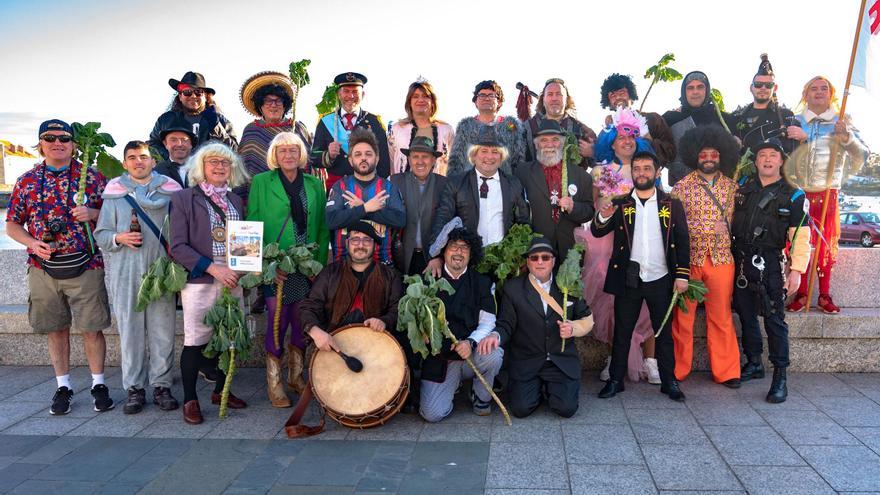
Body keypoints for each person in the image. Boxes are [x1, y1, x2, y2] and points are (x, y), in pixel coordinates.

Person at [5, 119, 114, 415]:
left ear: (74, 144)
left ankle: (98, 383)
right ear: (40, 143)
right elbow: (13, 224)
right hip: (43, 266)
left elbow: (114, 215)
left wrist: (92, 212)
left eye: (64, 138)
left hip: (86, 262)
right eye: (50, 137)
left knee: (93, 328)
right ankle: (63, 385)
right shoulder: (26, 180)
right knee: (56, 329)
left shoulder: (92, 177)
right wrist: (32, 243)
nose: (58, 143)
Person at [592, 151, 690, 401]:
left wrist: (682, 275)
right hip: (629, 278)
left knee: (663, 333)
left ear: (657, 172)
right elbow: (597, 229)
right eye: (637, 168)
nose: (642, 173)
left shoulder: (672, 204)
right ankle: (615, 381)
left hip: (662, 277)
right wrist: (604, 212)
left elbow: (682, 240)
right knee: (622, 331)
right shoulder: (621, 203)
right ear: (632, 172)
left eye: (647, 168)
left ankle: (669, 382)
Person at [94, 140, 182, 414]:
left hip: (160, 271)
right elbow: (101, 234)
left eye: (143, 157)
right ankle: (134, 388)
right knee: (130, 332)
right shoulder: (114, 194)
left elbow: (181, 231)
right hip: (126, 272)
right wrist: (119, 237)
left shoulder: (170, 191)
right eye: (132, 157)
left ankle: (161, 385)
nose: (138, 162)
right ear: (125, 163)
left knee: (163, 330)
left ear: (153, 161)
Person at [246, 132, 329, 408]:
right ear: (274, 156)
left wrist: (315, 265)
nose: (289, 155)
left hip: (306, 268)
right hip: (276, 266)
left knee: (300, 322)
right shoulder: (260, 182)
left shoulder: (315, 184)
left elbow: (322, 226)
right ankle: (274, 382)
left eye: (294, 150)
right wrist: (266, 266)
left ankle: (296, 375)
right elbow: (252, 223)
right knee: (277, 321)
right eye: (282, 151)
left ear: (301, 154)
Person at [170, 142, 250, 424]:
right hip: (201, 280)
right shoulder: (183, 199)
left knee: (229, 338)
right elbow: (177, 247)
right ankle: (190, 399)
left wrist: (241, 270)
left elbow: (243, 242)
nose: (219, 167)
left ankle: (219, 391)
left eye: (225, 163)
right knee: (195, 341)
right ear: (200, 167)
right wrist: (213, 268)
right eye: (213, 162)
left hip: (231, 280)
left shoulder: (236, 200)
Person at [578, 108, 660, 384]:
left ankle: (650, 361)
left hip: (642, 240)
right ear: (612, 142)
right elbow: (593, 205)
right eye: (621, 136)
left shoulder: (646, 169)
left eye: (632, 136)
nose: (627, 141)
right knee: (611, 299)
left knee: (646, 298)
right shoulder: (601, 170)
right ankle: (614, 357)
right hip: (608, 243)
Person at [732, 139, 811, 403]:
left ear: (781, 160)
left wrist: (797, 270)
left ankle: (780, 376)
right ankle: (754, 362)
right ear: (755, 161)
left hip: (771, 263)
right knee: (745, 313)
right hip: (741, 259)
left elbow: (801, 236)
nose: (767, 159)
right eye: (762, 155)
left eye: (772, 155)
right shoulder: (743, 188)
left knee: (774, 319)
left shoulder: (794, 194)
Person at [480, 237, 593, 418]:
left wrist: (573, 328)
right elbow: (506, 324)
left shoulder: (568, 284)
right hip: (527, 361)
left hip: (560, 361)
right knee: (521, 409)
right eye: (534, 258)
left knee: (566, 409)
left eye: (545, 257)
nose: (540, 262)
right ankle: (538, 391)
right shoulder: (513, 288)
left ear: (553, 261)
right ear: (528, 261)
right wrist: (495, 336)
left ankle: (553, 389)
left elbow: (587, 318)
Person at [785, 76, 869, 314]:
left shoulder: (842, 122)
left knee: (824, 245)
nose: (819, 92)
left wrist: (847, 138)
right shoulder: (795, 120)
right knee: (797, 243)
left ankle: (824, 294)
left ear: (831, 94)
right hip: (798, 192)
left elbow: (862, 156)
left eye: (824, 88)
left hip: (828, 191)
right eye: (814, 88)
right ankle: (800, 293)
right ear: (805, 94)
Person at [670, 125, 742, 387]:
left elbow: (742, 224)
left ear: (722, 155)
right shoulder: (680, 187)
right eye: (703, 154)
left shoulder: (733, 188)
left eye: (714, 153)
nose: (709, 158)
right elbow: (672, 226)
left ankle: (727, 371)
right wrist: (705, 228)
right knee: (683, 318)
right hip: (690, 262)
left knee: (721, 317)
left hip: (722, 260)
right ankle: (677, 369)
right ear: (694, 156)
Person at [419, 227, 503, 422]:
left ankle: (480, 396)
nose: (458, 252)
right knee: (432, 414)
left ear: (471, 253)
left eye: (464, 248)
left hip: (471, 355)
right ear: (444, 252)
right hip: (441, 359)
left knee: (493, 354)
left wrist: (471, 342)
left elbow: (488, 321)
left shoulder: (482, 282)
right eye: (453, 247)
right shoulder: (428, 282)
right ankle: (452, 385)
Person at [299, 221, 403, 351]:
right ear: (347, 243)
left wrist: (384, 321)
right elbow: (309, 306)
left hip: (376, 348)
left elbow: (397, 309)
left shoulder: (390, 276)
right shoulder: (330, 273)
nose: (360, 245)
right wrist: (315, 331)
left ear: (375, 245)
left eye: (366, 240)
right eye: (355, 239)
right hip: (335, 346)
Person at [430, 130, 530, 258]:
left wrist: (522, 256)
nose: (489, 157)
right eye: (484, 151)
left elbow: (523, 221)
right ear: (474, 155)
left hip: (503, 260)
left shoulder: (513, 183)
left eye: (495, 152)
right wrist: (435, 256)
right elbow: (443, 218)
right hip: (467, 259)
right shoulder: (456, 183)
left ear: (501, 157)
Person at [516, 119, 594, 262]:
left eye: (555, 140)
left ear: (563, 143)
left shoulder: (581, 175)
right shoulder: (522, 172)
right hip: (536, 251)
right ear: (536, 144)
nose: (550, 145)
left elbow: (589, 212)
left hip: (570, 251)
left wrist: (573, 207)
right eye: (544, 140)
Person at [325, 128, 405, 265]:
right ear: (350, 160)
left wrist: (363, 209)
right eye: (358, 154)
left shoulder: (389, 187)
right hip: (343, 266)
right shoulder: (340, 187)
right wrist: (365, 208)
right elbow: (331, 221)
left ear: (377, 158)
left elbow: (400, 220)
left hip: (381, 265)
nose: (363, 158)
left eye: (368, 154)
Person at [310, 72, 391, 189]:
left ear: (362, 94)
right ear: (339, 94)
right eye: (346, 91)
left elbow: (384, 162)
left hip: (368, 187)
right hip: (336, 188)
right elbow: (314, 157)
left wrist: (377, 188)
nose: (351, 96)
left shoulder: (374, 122)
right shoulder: (325, 122)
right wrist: (329, 155)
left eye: (355, 92)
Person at [663, 71, 736, 186]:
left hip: (718, 191)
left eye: (700, 87)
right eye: (690, 88)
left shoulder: (724, 119)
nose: (695, 92)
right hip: (681, 190)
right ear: (684, 92)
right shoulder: (670, 119)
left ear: (706, 90)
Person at [238, 71, 313, 181]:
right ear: (260, 106)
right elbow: (242, 166)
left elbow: (308, 161)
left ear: (285, 105)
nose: (273, 105)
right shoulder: (251, 130)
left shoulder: (297, 128)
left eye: (278, 101)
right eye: (268, 101)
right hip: (259, 190)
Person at [389, 136, 448, 275]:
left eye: (425, 156)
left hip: (432, 261)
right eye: (415, 156)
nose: (420, 161)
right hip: (400, 257)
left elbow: (450, 224)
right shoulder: (395, 182)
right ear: (409, 159)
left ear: (433, 160)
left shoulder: (444, 185)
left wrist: (439, 257)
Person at [149, 71, 238, 160]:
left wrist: (216, 128)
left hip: (209, 172)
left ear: (206, 96)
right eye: (187, 92)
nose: (193, 96)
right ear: (180, 96)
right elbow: (152, 145)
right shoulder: (166, 120)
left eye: (198, 92)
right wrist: (171, 158)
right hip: (174, 172)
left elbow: (234, 150)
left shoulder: (220, 121)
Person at [731, 54, 805, 156]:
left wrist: (804, 138)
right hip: (742, 171)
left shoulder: (786, 117)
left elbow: (794, 153)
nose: (763, 88)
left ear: (775, 88)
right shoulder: (737, 117)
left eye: (768, 85)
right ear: (751, 88)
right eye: (758, 84)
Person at [447, 80, 525, 176]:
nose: (486, 99)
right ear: (475, 101)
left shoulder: (511, 125)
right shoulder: (465, 126)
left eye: (491, 95)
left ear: (499, 102)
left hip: (505, 185)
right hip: (470, 186)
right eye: (482, 95)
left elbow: (519, 160)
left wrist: (517, 186)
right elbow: (456, 161)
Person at [599, 73, 676, 166]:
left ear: (631, 94)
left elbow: (670, 154)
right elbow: (599, 160)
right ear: (608, 101)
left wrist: (648, 141)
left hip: (649, 178)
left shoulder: (653, 119)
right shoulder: (608, 129)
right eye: (613, 95)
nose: (618, 97)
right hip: (620, 178)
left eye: (622, 93)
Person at [522, 78, 597, 165]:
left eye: (559, 94)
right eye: (550, 94)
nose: (554, 98)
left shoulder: (580, 130)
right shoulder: (528, 128)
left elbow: (599, 166)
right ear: (543, 100)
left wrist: (593, 152)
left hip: (573, 178)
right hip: (534, 177)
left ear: (566, 100)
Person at [388, 80, 455, 176]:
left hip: (439, 188)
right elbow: (390, 162)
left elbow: (453, 163)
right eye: (415, 96)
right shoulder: (396, 129)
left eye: (425, 96)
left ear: (432, 101)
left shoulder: (446, 130)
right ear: (409, 102)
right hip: (403, 188)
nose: (420, 100)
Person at [154, 120, 198, 188]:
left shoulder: (203, 169)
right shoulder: (157, 172)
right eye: (173, 140)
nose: (179, 144)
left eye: (184, 140)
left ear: (191, 144)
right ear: (165, 144)